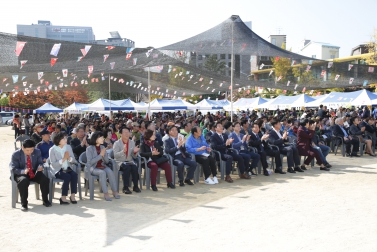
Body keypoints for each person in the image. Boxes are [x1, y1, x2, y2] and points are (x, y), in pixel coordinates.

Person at [11, 139, 51, 211]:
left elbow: (40, 162)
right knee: (23, 181)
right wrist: (23, 171)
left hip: (34, 172)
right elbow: (14, 168)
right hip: (21, 173)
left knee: (45, 179)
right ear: (22, 147)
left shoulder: (37, 151)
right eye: (27, 150)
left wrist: (40, 166)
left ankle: (45, 200)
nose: (30, 152)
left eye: (32, 150)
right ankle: (24, 203)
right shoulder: (16, 154)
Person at [86, 131, 120, 201]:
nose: (103, 139)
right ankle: (106, 193)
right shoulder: (89, 149)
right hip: (93, 168)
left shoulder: (102, 147)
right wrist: (100, 155)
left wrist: (104, 155)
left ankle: (114, 191)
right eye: (101, 137)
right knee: (102, 173)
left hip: (102, 166)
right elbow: (90, 163)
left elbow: (107, 161)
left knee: (110, 172)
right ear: (96, 139)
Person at [48, 132, 78, 204]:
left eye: (66, 138)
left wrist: (69, 158)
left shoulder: (68, 147)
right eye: (63, 138)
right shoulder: (52, 150)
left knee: (74, 175)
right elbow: (53, 164)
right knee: (67, 176)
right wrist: (63, 159)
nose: (66, 139)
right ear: (58, 140)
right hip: (57, 169)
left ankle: (72, 196)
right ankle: (63, 197)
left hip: (67, 168)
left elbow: (73, 159)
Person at [113, 126, 141, 194]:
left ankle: (135, 186)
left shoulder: (132, 142)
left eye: (128, 132)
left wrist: (135, 152)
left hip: (129, 161)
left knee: (134, 167)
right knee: (127, 167)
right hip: (120, 162)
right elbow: (115, 155)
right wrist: (123, 151)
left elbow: (134, 156)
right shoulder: (117, 143)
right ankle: (125, 187)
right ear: (120, 134)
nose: (127, 134)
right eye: (125, 132)